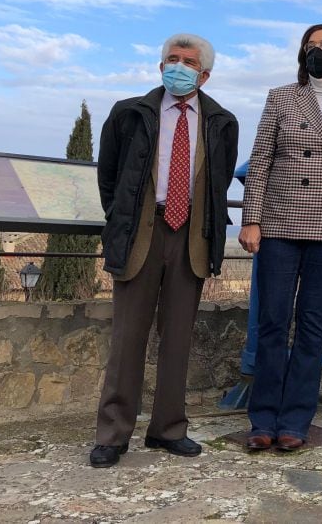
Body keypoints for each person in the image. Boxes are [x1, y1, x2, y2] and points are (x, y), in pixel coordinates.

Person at [90, 33, 239, 468]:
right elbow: (110, 177)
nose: (178, 66)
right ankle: (113, 434)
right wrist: (124, 219)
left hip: (191, 234)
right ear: (160, 67)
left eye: (188, 61)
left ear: (204, 74)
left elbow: (219, 180)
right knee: (127, 338)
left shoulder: (221, 122)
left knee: (178, 338)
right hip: (142, 232)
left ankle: (168, 429)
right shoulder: (129, 113)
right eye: (171, 59)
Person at [239, 23, 322, 453]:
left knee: (313, 325)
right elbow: (260, 159)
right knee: (273, 321)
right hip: (279, 222)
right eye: (310, 45)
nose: (315, 50)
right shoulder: (280, 96)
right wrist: (251, 219)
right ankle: (263, 418)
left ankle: (297, 419)